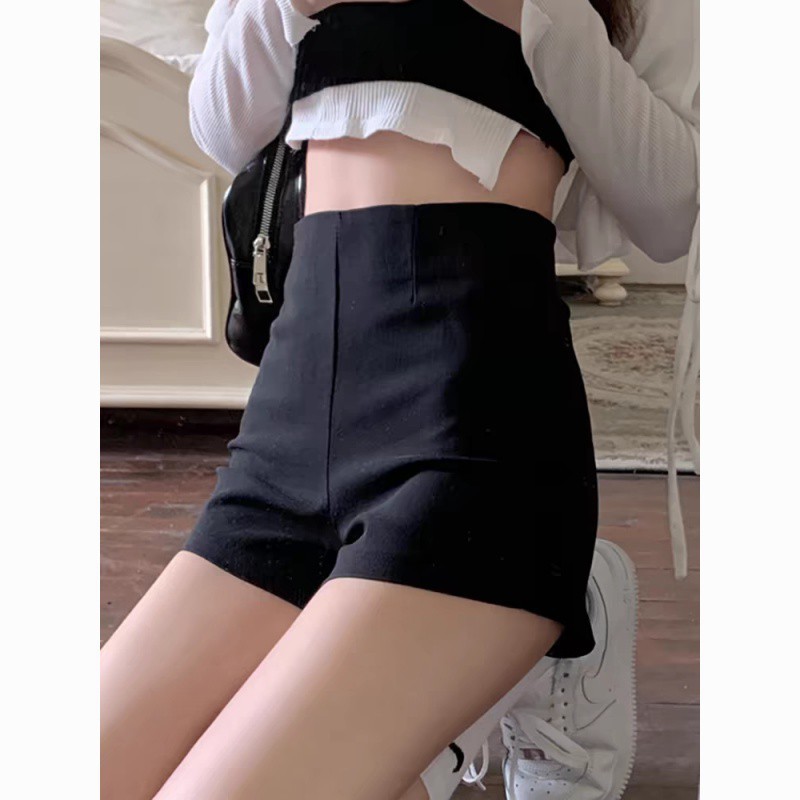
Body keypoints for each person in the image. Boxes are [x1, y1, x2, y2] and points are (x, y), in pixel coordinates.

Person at [99, 2, 699, 799]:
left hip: (474, 439)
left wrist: (536, 10)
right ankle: (447, 700)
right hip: (288, 432)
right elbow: (223, 129)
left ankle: (482, 658)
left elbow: (674, 210)